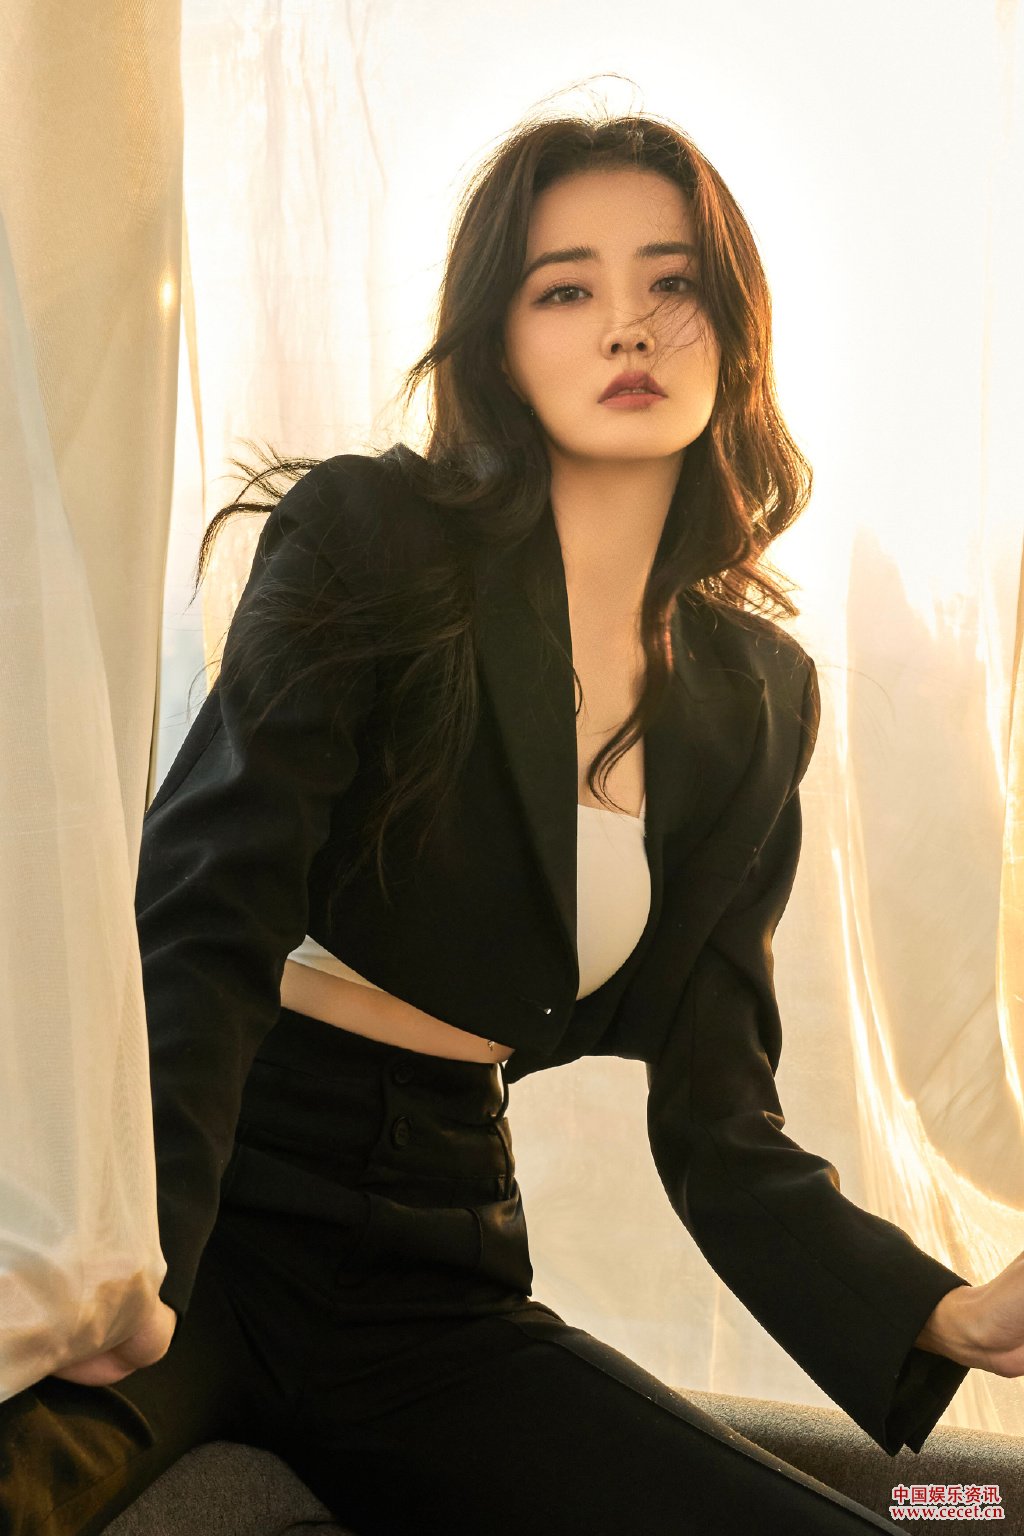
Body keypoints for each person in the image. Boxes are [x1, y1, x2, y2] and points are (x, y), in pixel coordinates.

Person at [3, 107, 1022, 1536]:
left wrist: (945, 1314)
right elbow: (204, 913)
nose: (629, 325)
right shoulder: (370, 537)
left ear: (735, 330)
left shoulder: (755, 697)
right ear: (499, 342)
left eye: (673, 281)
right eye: (565, 289)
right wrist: (138, 1255)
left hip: (434, 1270)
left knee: (916, 1524)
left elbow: (720, 1118)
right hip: (213, 1204)